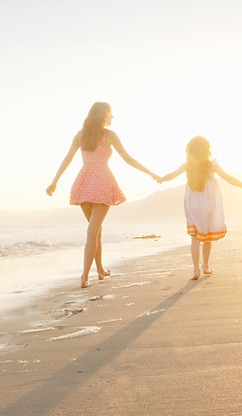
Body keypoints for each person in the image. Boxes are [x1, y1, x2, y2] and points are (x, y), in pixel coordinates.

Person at [46, 102, 159, 287]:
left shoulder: (81, 135)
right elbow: (128, 159)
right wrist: (152, 173)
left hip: (83, 182)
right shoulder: (109, 135)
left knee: (95, 230)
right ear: (104, 115)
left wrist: (55, 181)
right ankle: (84, 276)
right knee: (93, 230)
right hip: (102, 182)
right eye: (110, 114)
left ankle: (99, 270)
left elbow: (68, 158)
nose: (112, 117)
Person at [158, 136, 242, 280]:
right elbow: (229, 178)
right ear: (207, 150)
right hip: (208, 204)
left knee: (195, 238)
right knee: (207, 237)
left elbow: (171, 175)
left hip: (192, 205)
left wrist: (160, 178)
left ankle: (196, 269)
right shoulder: (212, 165)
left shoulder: (187, 165)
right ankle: (206, 265)